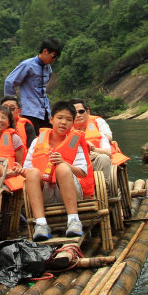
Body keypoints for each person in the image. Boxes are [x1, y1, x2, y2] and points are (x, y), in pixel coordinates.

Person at [22, 100, 94, 240]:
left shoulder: (75, 141)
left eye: (68, 120)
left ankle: (74, 220)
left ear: (73, 123)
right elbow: (27, 169)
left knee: (62, 167)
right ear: (51, 119)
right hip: (46, 192)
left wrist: (64, 163)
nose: (63, 122)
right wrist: (20, 172)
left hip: (70, 191)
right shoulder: (37, 141)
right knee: (32, 172)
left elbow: (82, 172)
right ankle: (41, 223)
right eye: (59, 118)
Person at [3, 37, 62, 133]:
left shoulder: (48, 69)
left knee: (45, 140)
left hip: (45, 113)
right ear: (45, 51)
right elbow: (9, 82)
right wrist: (13, 105)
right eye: (53, 56)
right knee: (32, 142)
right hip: (29, 112)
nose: (54, 59)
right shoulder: (28, 65)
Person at [70, 98, 113, 189]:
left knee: (104, 158)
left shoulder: (99, 130)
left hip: (95, 157)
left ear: (87, 112)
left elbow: (108, 151)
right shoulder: (66, 128)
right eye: (74, 112)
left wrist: (92, 148)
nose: (78, 115)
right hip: (74, 162)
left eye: (81, 111)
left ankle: (103, 190)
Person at [0, 106, 25, 191]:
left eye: (3, 118)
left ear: (8, 123)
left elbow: (19, 164)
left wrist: (11, 173)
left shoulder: (14, 138)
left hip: (9, 177)